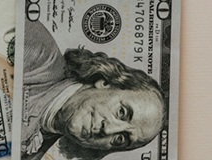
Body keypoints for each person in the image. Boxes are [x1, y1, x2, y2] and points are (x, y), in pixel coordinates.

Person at [17, 18, 165, 160]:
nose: (108, 130)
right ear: (105, 82)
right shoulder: (37, 52)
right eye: (121, 112)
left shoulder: (32, 153)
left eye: (120, 139)